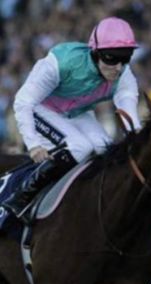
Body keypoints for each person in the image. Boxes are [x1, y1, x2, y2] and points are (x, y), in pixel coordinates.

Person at [1, 16, 141, 222]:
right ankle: (22, 195)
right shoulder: (63, 62)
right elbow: (23, 101)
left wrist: (137, 137)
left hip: (76, 112)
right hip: (40, 109)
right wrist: (33, 145)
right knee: (80, 147)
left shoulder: (124, 75)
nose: (118, 67)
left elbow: (129, 110)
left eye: (126, 58)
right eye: (112, 58)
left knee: (106, 147)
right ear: (95, 52)